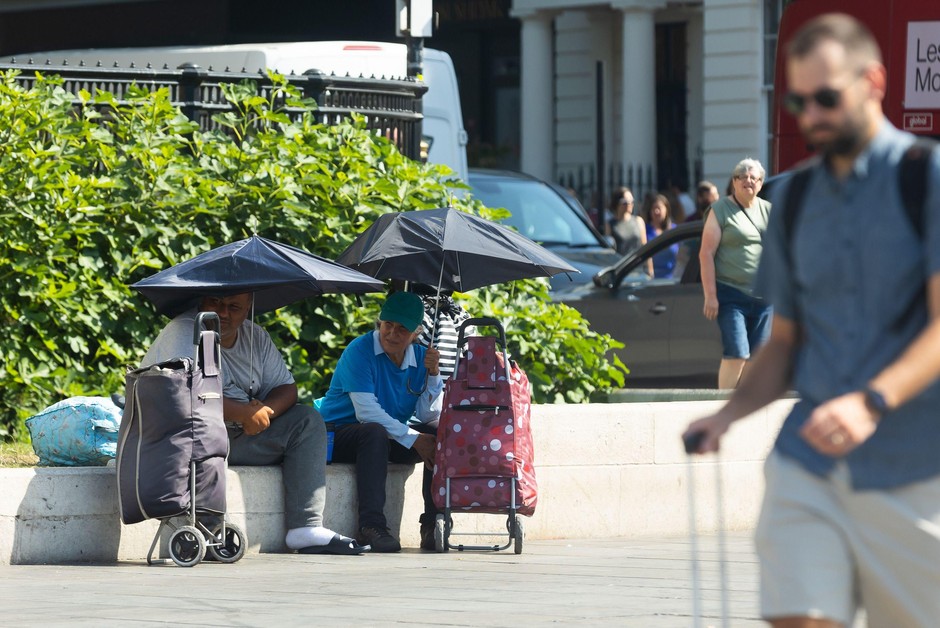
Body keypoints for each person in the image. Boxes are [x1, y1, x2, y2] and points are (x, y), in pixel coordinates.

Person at [684, 13, 940, 627]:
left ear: (874, 81)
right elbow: (786, 345)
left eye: (827, 97)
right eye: (801, 101)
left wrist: (870, 403)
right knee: (800, 617)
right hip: (808, 465)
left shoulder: (923, 178)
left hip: (913, 466)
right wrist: (727, 415)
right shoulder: (791, 200)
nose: (813, 116)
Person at [142, 293, 368, 555]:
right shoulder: (185, 330)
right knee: (205, 433)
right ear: (202, 301)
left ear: (248, 308)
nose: (223, 312)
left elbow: (287, 387)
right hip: (184, 436)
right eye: (216, 302)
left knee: (306, 420)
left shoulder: (255, 336)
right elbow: (182, 395)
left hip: (240, 435)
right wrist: (241, 413)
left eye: (234, 307)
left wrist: (263, 413)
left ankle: (305, 528)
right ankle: (209, 531)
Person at [316, 291, 444, 552]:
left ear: (415, 333)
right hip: (336, 434)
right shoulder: (359, 350)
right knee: (372, 431)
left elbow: (429, 414)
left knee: (439, 433)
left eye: (401, 329)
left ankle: (432, 524)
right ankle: (371, 526)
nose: (392, 334)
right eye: (388, 325)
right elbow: (367, 413)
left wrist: (433, 374)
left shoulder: (422, 356)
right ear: (380, 323)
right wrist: (413, 438)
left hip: (386, 437)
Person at [698, 158, 772, 389]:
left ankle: (741, 407)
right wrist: (710, 295)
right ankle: (720, 405)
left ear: (760, 183)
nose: (748, 181)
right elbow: (706, 253)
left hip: (764, 298)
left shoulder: (768, 209)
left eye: (754, 177)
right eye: (743, 177)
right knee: (738, 353)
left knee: (757, 357)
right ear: (734, 182)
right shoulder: (720, 210)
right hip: (731, 295)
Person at [605, 186, 648, 259]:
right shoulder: (610, 224)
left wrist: (650, 269)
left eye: (631, 201)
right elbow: (609, 250)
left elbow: (645, 247)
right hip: (621, 265)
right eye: (625, 202)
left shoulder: (638, 221)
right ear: (617, 203)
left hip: (638, 265)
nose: (629, 204)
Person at [643, 193, 678, 278]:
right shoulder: (644, 230)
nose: (656, 211)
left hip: (673, 279)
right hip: (650, 279)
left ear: (667, 210)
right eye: (653, 208)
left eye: (659, 208)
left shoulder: (675, 230)